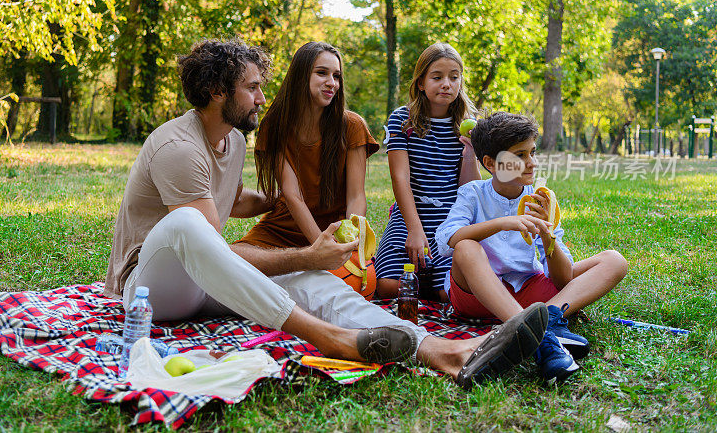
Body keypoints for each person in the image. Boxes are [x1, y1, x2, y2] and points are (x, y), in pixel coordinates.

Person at [104, 39, 549, 389]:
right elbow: (204, 239)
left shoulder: (233, 139)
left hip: (207, 285)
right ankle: (330, 338)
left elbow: (230, 199)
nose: (262, 96)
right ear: (218, 92)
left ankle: (442, 351)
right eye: (253, 87)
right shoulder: (179, 147)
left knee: (318, 284)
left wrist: (271, 204)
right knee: (191, 227)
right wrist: (303, 253)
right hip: (151, 288)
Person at [434, 111, 629, 384]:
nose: (531, 163)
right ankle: (538, 334)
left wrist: (548, 236)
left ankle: (547, 319)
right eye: (519, 155)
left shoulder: (540, 199)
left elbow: (563, 278)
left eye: (532, 152)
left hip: (529, 291)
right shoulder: (474, 193)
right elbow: (444, 241)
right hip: (476, 297)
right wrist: (504, 223)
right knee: (465, 247)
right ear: (490, 163)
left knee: (614, 260)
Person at [234, 41, 378, 280]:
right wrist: (317, 251)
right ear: (301, 75)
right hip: (282, 230)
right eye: (322, 73)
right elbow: (292, 195)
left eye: (337, 76)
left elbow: (356, 196)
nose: (332, 82)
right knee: (232, 262)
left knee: (366, 282)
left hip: (334, 232)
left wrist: (349, 239)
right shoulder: (275, 126)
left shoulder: (352, 126)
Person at [374, 43, 480, 301]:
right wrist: (414, 230)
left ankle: (430, 281)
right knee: (388, 287)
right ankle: (421, 277)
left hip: (450, 221)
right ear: (421, 82)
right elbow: (400, 179)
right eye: (437, 77)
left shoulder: (467, 125)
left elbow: (470, 190)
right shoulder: (402, 119)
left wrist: (470, 155)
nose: (446, 84)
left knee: (449, 293)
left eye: (454, 77)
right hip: (409, 217)